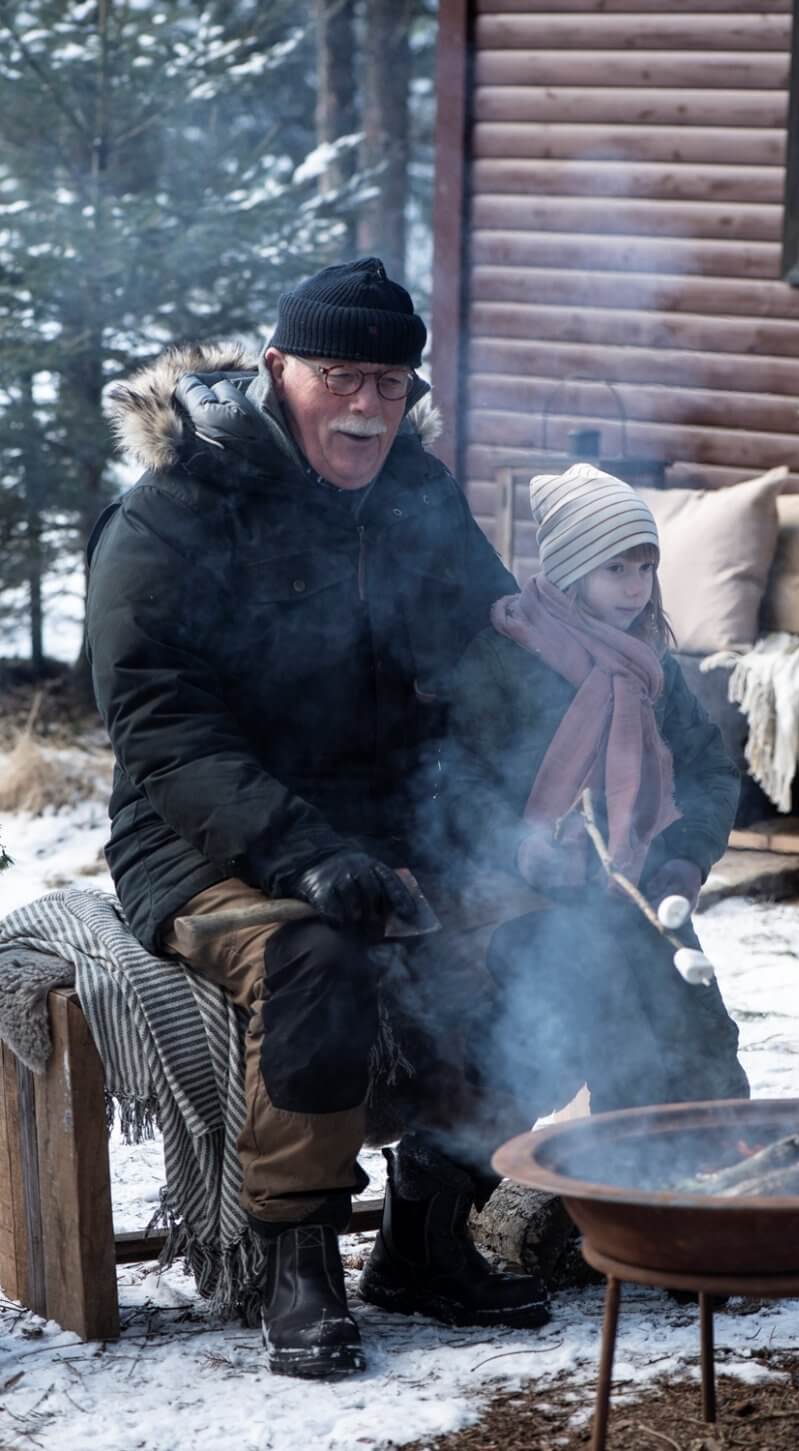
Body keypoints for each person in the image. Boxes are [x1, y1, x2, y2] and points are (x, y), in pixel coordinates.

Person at [85, 257, 549, 1382]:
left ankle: (428, 1235)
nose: (367, 407)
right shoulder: (180, 507)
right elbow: (159, 721)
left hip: (382, 813)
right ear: (277, 366)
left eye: (390, 382)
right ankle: (297, 1259)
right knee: (314, 950)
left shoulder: (416, 492)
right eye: (341, 375)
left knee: (526, 923)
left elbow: (482, 654)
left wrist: (535, 784)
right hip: (200, 837)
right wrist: (303, 851)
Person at [441, 462, 750, 1140]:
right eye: (617, 569)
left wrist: (685, 861)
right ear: (572, 570)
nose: (637, 589)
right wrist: (520, 848)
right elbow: (458, 779)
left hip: (639, 889)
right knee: (610, 1038)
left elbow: (710, 773)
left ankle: (711, 1195)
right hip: (527, 898)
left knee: (701, 1044)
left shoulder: (652, 671)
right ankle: (623, 1197)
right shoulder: (502, 660)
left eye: (646, 569)